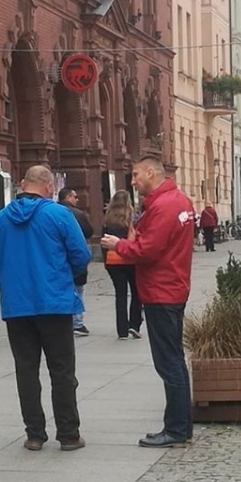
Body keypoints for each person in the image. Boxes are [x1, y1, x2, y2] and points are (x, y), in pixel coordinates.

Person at [0, 166, 91, 452]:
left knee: (26, 371)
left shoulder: (1, 219)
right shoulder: (59, 214)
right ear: (49, 187)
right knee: (62, 371)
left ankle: (34, 434)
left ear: (23, 184)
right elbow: (81, 254)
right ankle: (68, 434)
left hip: (17, 305)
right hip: (54, 303)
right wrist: (63, 275)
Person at [101, 155, 195, 448]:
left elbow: (147, 250)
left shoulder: (163, 207)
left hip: (161, 290)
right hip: (172, 286)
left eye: (136, 175)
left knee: (169, 362)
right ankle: (180, 426)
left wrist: (119, 245)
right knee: (174, 360)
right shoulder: (179, 201)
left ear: (151, 173)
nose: (133, 181)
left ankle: (177, 429)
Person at [102, 190, 143, 340]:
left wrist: (106, 260)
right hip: (130, 259)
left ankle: (122, 330)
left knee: (120, 295)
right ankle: (134, 325)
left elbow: (104, 241)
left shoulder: (107, 219)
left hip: (113, 261)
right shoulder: (133, 217)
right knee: (136, 293)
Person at [58, 187, 94, 336]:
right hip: (74, 258)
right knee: (78, 290)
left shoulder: (51, 212)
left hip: (58, 261)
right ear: (68, 197)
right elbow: (89, 232)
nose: (77, 199)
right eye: (75, 197)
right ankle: (77, 323)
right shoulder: (78, 214)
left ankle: (64, 322)